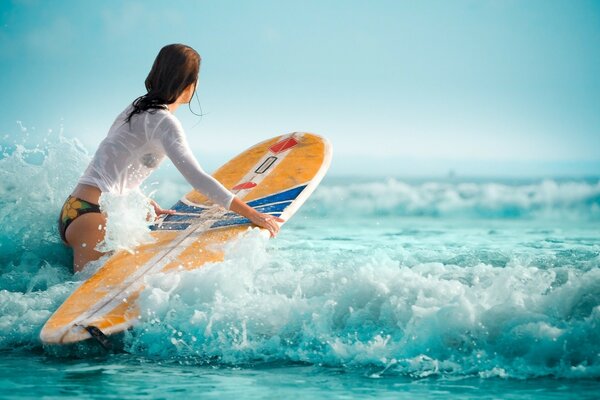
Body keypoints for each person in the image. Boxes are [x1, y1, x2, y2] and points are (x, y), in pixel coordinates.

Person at [58, 44, 283, 272]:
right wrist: (253, 214)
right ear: (188, 85)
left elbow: (113, 164)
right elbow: (198, 179)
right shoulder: (165, 122)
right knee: (90, 302)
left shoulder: (135, 108)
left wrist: (141, 201)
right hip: (93, 220)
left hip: (74, 210)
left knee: (78, 295)